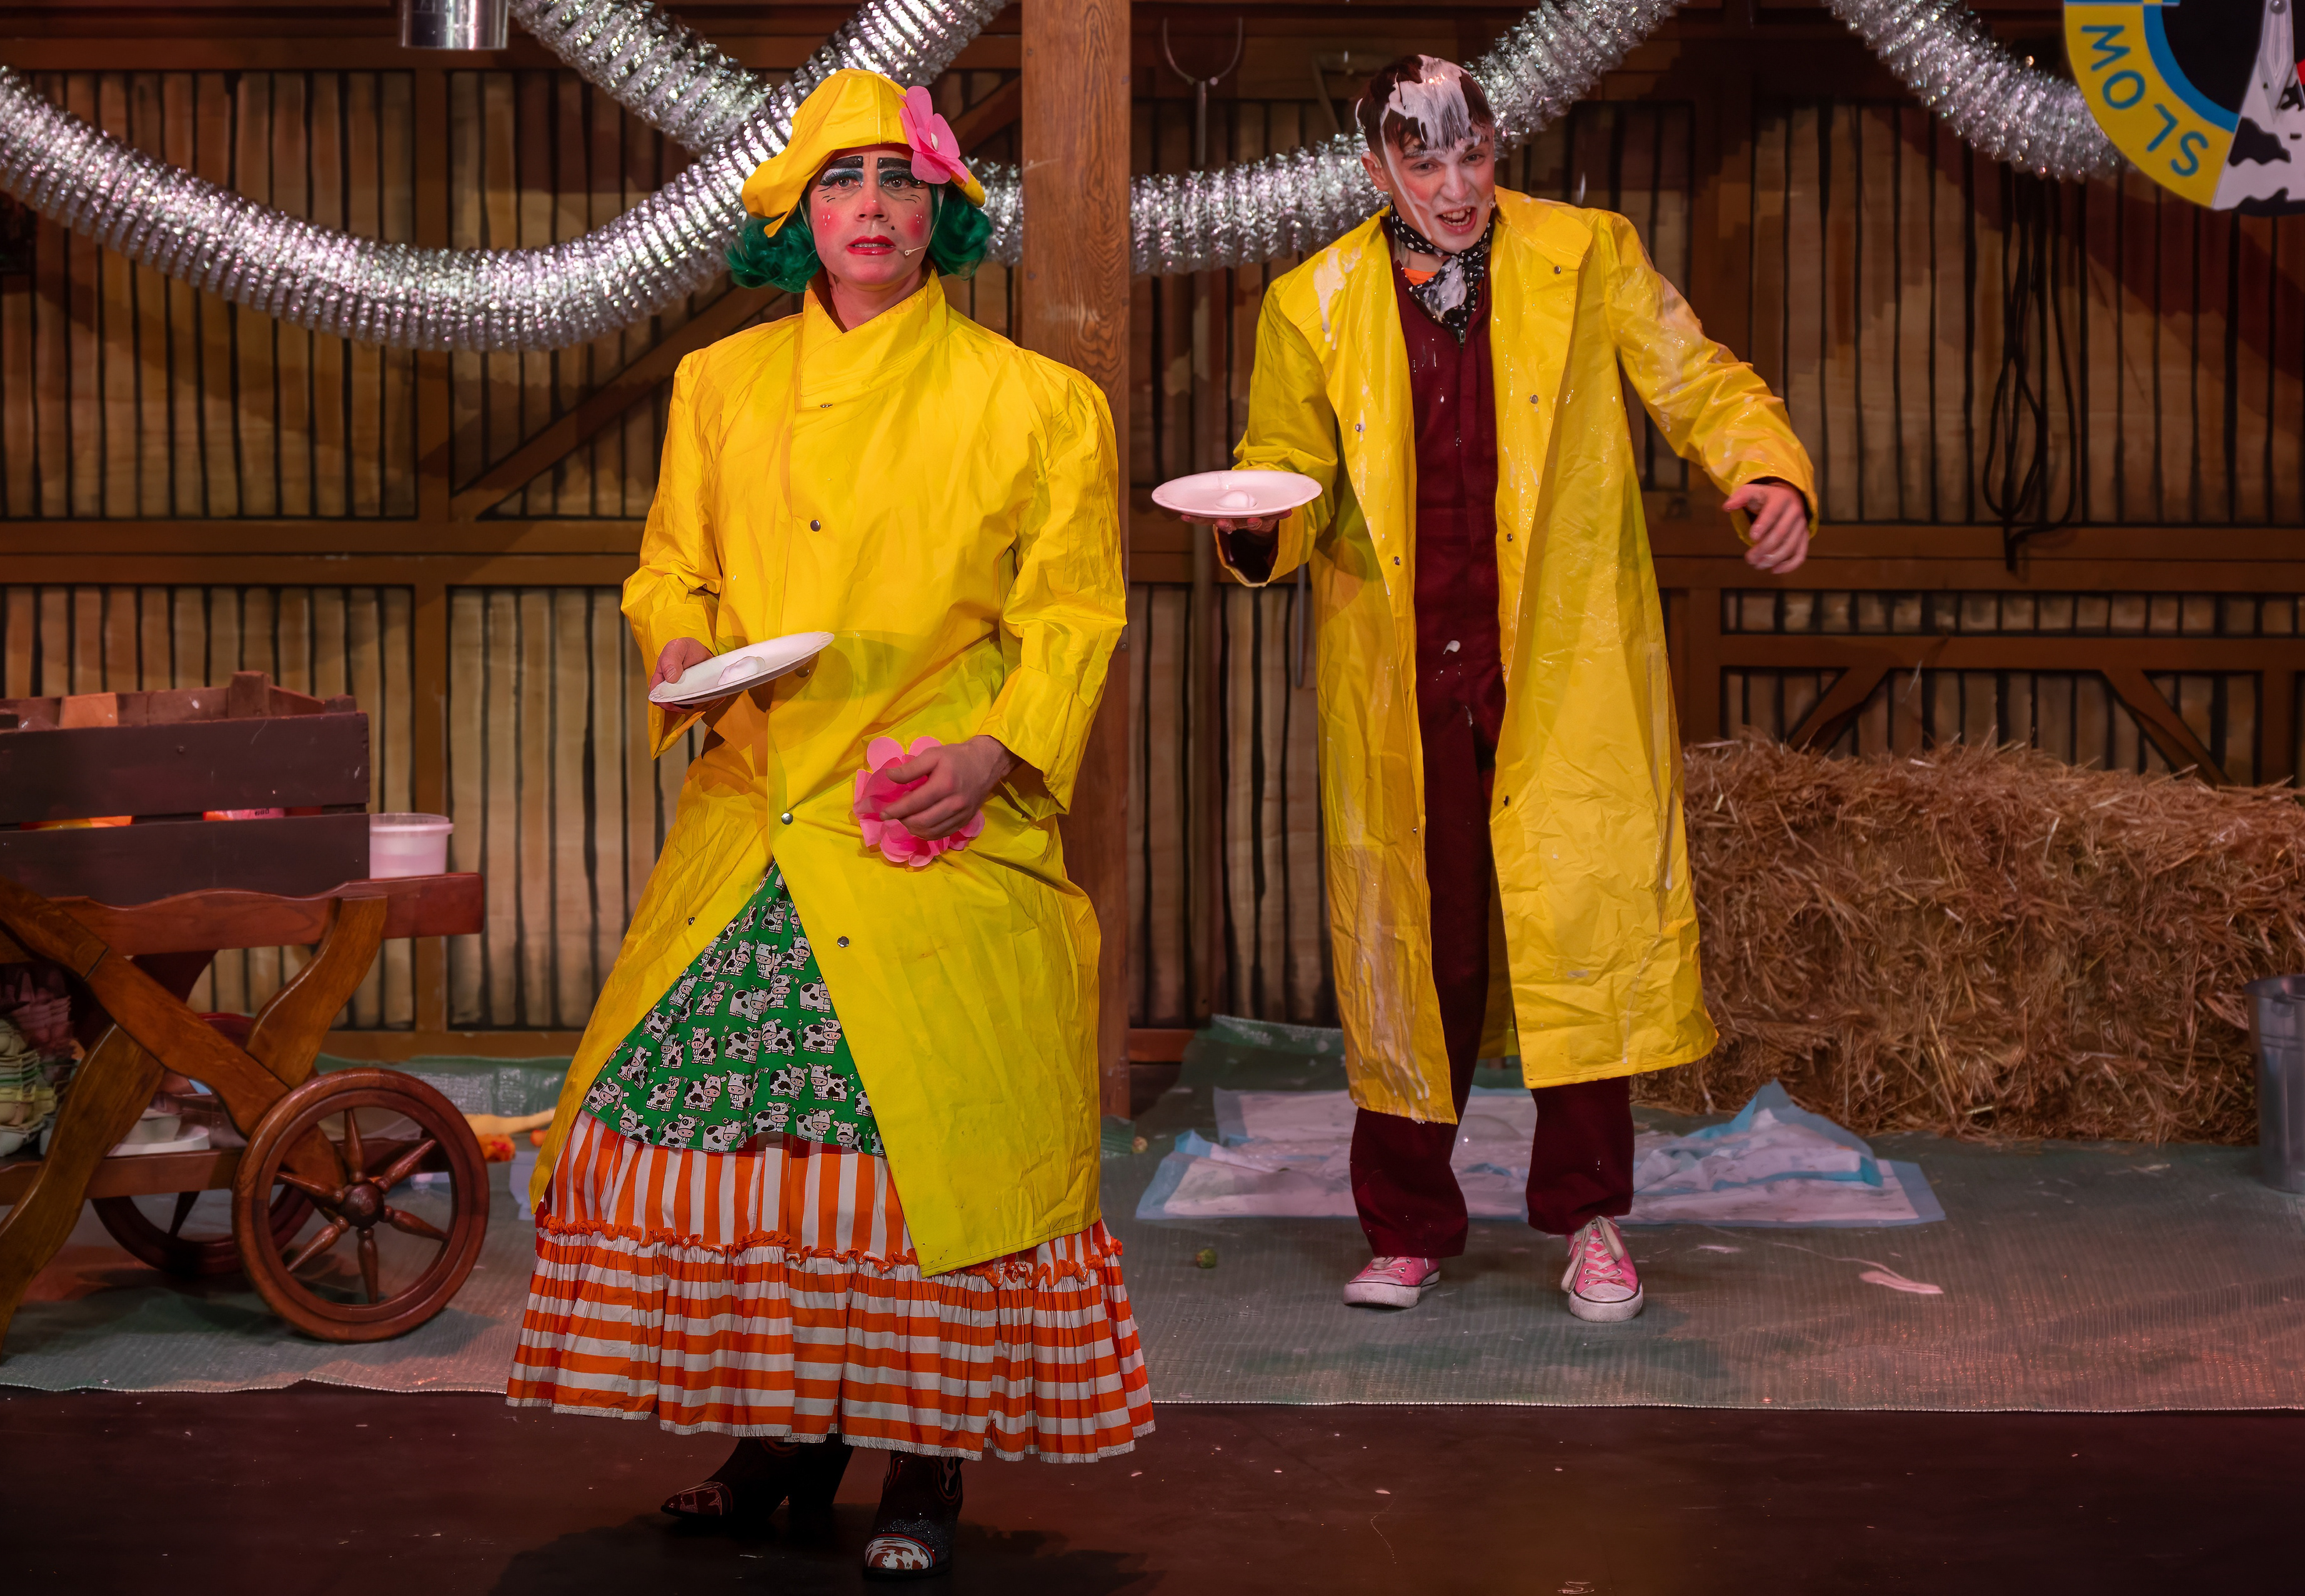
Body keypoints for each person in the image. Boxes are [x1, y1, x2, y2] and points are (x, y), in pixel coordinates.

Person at [507, 69, 1150, 1581]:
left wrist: (995, 752)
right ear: (798, 217)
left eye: (900, 182)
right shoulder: (719, 385)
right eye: (843, 181)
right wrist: (678, 642)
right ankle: (784, 1440)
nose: (872, 207)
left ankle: (926, 1462)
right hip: (761, 811)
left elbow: (1073, 615)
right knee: (739, 1155)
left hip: (929, 817)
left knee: (919, 1167)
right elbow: (671, 567)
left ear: (943, 214)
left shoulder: (1037, 403)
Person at [1197, 54, 1816, 1322]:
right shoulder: (1313, 302)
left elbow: (1697, 376)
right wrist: (1258, 528)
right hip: (1402, 670)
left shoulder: (1587, 255)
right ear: (1375, 169)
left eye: (1472, 153)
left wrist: (1762, 470)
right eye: (1423, 161)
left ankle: (1590, 1221)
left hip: (1560, 661)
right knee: (1415, 948)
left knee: (1577, 933)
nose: (1455, 186)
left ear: (1498, 147)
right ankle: (1408, 1226)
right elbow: (1285, 464)